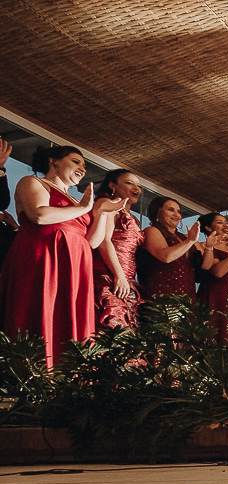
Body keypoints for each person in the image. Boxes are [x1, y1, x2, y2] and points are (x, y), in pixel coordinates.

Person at [0, 146, 123, 368]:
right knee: (38, 312)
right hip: (43, 259)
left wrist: (102, 212)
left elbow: (91, 242)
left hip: (74, 268)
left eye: (84, 166)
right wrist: (85, 207)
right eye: (76, 161)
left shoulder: (78, 203)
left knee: (68, 321)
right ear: (53, 161)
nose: (82, 169)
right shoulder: (32, 182)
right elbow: (39, 214)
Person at [93, 169, 143, 330]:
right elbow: (104, 241)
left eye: (138, 185)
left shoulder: (133, 217)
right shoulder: (107, 204)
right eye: (129, 183)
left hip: (128, 279)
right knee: (113, 325)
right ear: (112, 186)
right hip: (110, 274)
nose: (136, 188)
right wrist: (119, 275)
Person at [137, 196, 202, 301]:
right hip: (161, 295)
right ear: (158, 212)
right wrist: (190, 241)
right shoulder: (151, 231)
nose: (176, 215)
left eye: (179, 211)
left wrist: (211, 246)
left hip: (187, 295)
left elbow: (205, 266)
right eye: (171, 210)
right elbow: (165, 256)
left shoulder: (184, 237)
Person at [195, 212, 228, 342]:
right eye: (219, 222)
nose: (226, 225)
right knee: (217, 333)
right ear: (208, 227)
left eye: (226, 222)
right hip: (217, 295)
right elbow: (217, 272)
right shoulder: (203, 245)